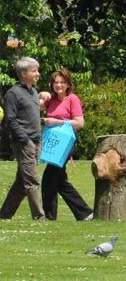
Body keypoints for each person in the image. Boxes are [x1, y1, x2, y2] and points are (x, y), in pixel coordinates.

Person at [40, 69, 94, 220]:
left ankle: (49, 216)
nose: (58, 85)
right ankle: (85, 213)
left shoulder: (72, 99)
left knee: (49, 179)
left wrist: (58, 122)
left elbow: (80, 123)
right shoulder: (52, 99)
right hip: (54, 143)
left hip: (66, 143)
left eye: (62, 82)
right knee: (60, 181)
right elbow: (34, 105)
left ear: (68, 84)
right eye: (56, 82)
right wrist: (39, 94)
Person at [1, 57, 46, 220]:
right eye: (34, 71)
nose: (38, 74)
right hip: (23, 142)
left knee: (22, 182)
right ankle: (39, 217)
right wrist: (25, 140)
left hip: (36, 141)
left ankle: (4, 215)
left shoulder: (33, 91)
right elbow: (10, 120)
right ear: (23, 73)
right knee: (32, 180)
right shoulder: (13, 93)